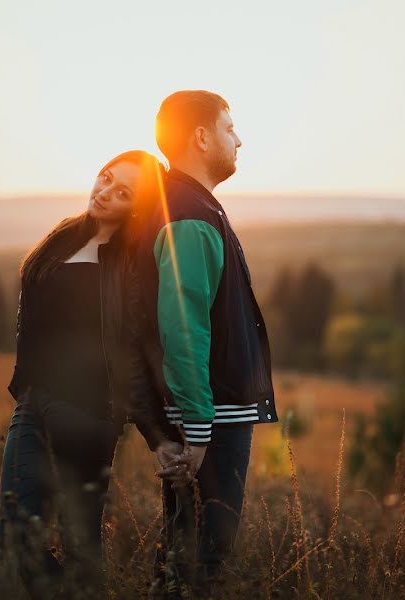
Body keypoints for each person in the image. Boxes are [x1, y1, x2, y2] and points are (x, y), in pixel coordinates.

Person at [128, 90, 279, 596]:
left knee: (185, 558)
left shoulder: (193, 207)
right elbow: (185, 323)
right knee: (200, 564)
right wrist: (196, 424)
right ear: (201, 136)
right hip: (211, 418)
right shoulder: (189, 214)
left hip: (209, 414)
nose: (239, 138)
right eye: (229, 127)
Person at [0, 149, 166, 598]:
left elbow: (136, 351)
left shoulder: (131, 263)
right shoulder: (63, 237)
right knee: (16, 536)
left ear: (137, 206)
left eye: (122, 191)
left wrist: (159, 435)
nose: (105, 192)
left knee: (80, 547)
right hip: (34, 404)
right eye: (105, 178)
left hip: (88, 414)